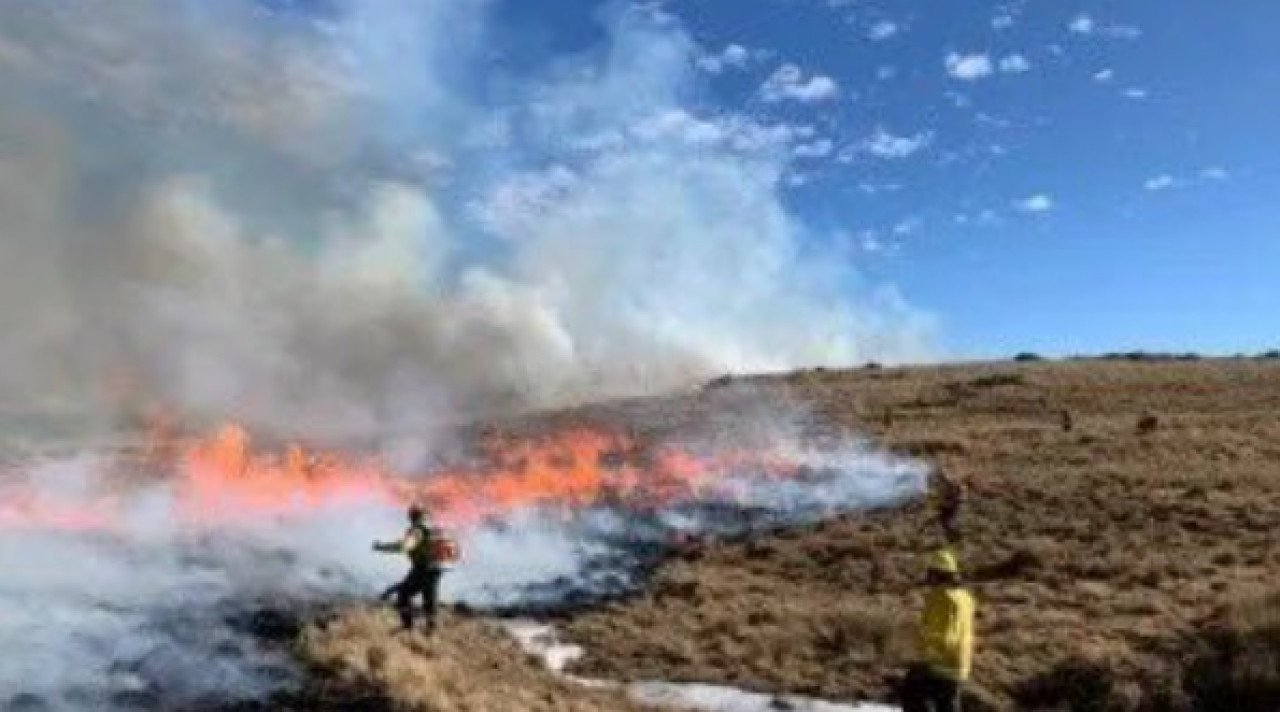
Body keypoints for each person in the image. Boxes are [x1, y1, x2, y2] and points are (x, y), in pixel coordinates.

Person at [901, 549, 976, 712]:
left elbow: (944, 635)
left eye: (931, 573)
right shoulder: (966, 598)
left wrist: (924, 646)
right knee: (947, 704)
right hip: (959, 664)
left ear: (937, 574)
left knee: (913, 690)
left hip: (940, 663)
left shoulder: (941, 597)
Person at [374, 505, 447, 633]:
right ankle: (430, 631)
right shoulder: (431, 529)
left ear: (411, 516)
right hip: (436, 568)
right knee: (429, 600)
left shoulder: (417, 531)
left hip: (423, 569)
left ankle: (408, 627)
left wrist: (381, 547)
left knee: (403, 594)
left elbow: (404, 546)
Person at [931, 468, 966, 543]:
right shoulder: (949, 487)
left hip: (951, 508)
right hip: (948, 508)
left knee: (948, 523)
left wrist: (943, 504)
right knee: (944, 523)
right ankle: (950, 537)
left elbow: (956, 500)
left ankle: (953, 536)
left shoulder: (955, 488)